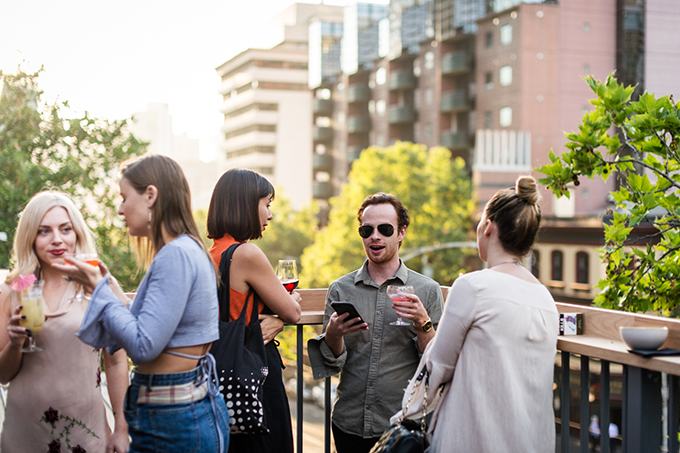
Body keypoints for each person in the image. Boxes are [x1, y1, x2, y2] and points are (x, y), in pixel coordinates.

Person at [56, 154, 229, 452]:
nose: (120, 209)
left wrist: (100, 291)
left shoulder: (174, 255)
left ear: (150, 195)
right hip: (182, 409)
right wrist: (111, 290)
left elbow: (143, 345)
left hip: (173, 418)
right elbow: (151, 327)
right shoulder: (187, 249)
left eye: (124, 198)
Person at [393, 176, 559, 452]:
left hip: (474, 438)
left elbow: (438, 366)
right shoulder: (545, 299)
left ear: (488, 227)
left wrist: (403, 416)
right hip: (530, 441)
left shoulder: (473, 286)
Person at [308, 192, 444, 453]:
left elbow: (435, 363)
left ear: (401, 232)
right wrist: (333, 334)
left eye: (384, 228)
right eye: (366, 230)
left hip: (402, 425)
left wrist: (422, 321)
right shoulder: (340, 289)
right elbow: (331, 364)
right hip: (349, 423)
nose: (375, 236)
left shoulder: (427, 291)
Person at [0, 191, 130, 452]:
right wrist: (15, 344)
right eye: (44, 231)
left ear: (77, 234)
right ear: (31, 238)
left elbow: (116, 361)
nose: (57, 239)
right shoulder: (14, 289)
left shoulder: (99, 284)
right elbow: (2, 375)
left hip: (86, 432)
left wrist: (122, 429)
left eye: (65, 229)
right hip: (24, 434)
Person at [206, 168, 301, 453]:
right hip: (255, 373)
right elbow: (293, 313)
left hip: (221, 373)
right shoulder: (246, 254)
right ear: (246, 204)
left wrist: (275, 319)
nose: (270, 215)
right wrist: (282, 315)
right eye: (267, 205)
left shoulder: (210, 254)